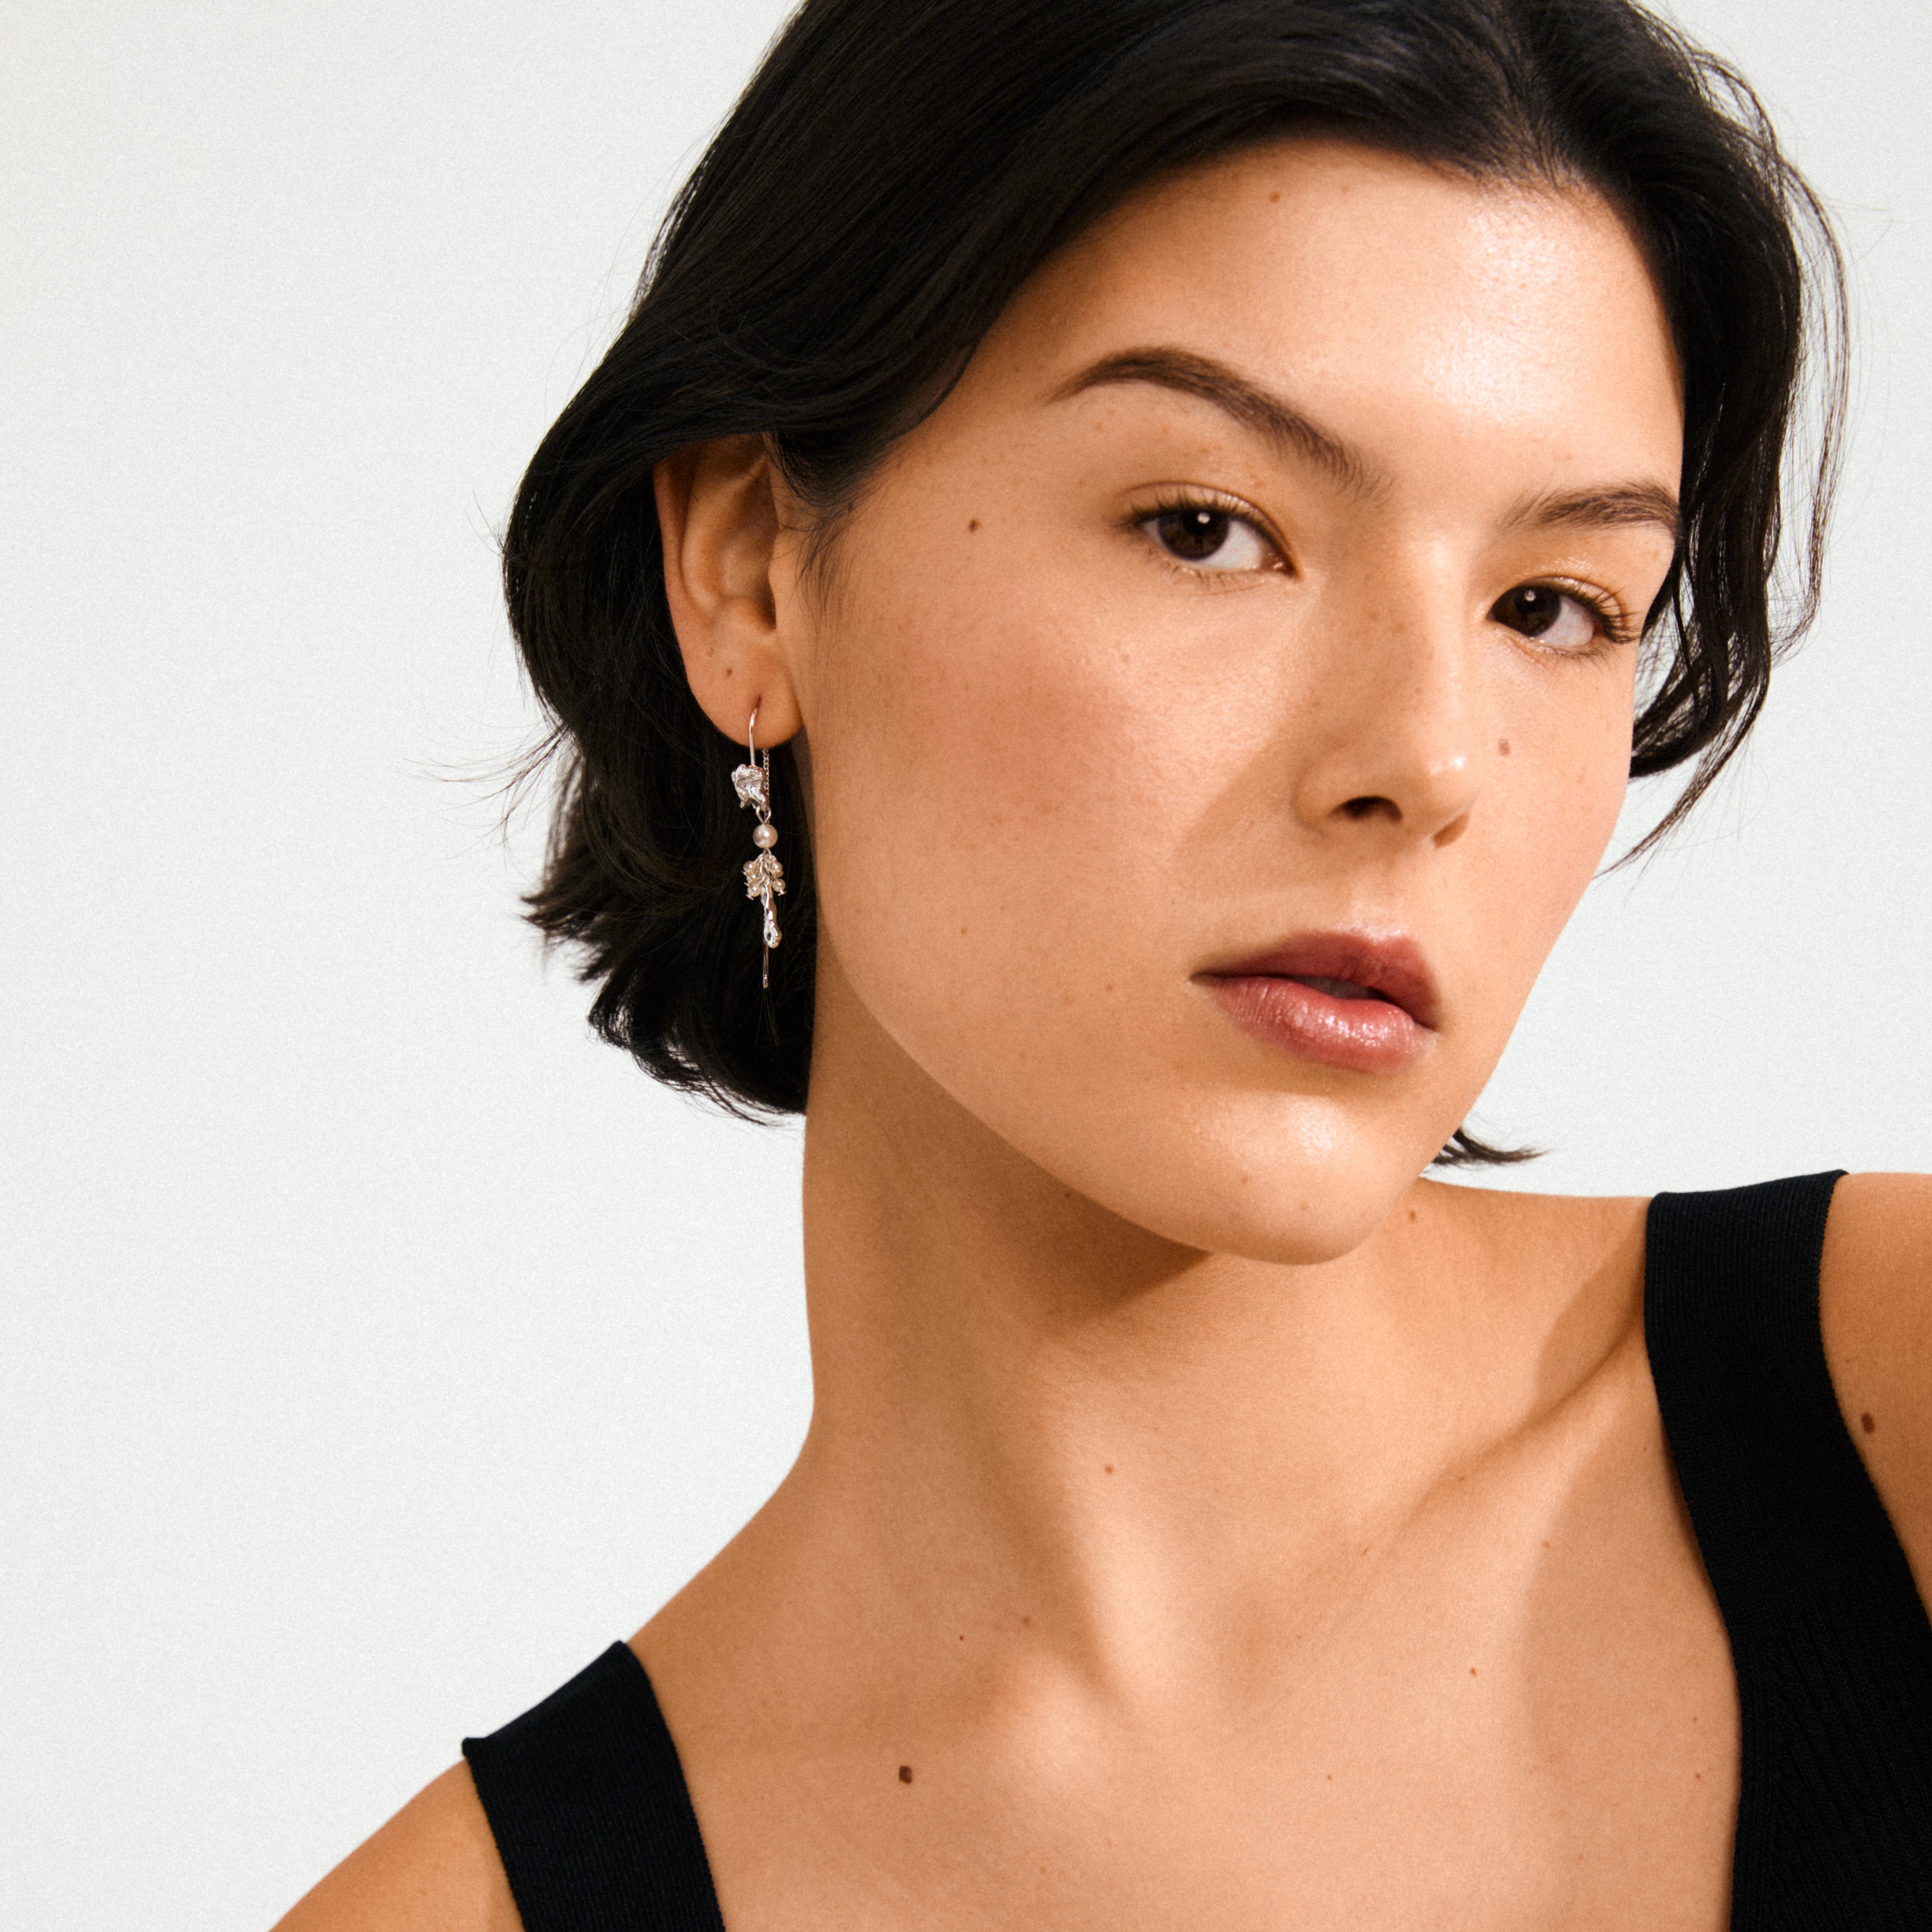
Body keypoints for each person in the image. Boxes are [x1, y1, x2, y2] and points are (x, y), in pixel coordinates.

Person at [274, 0, 1932, 1925]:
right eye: (1209, 528)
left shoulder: (1887, 1403)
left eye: (1549, 605)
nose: (1422, 757)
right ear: (746, 566)